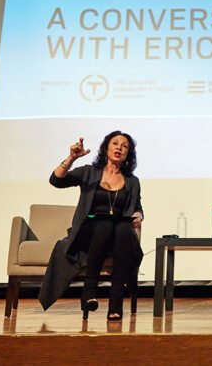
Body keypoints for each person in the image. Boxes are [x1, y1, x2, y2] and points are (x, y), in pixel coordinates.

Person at [38, 131, 144, 321]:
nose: (119, 147)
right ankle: (89, 293)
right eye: (115, 143)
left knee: (120, 228)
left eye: (125, 145)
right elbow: (56, 181)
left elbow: (137, 208)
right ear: (106, 148)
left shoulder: (132, 181)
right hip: (89, 230)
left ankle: (115, 305)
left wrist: (138, 216)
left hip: (117, 233)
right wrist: (72, 157)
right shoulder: (89, 172)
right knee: (104, 225)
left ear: (129, 153)